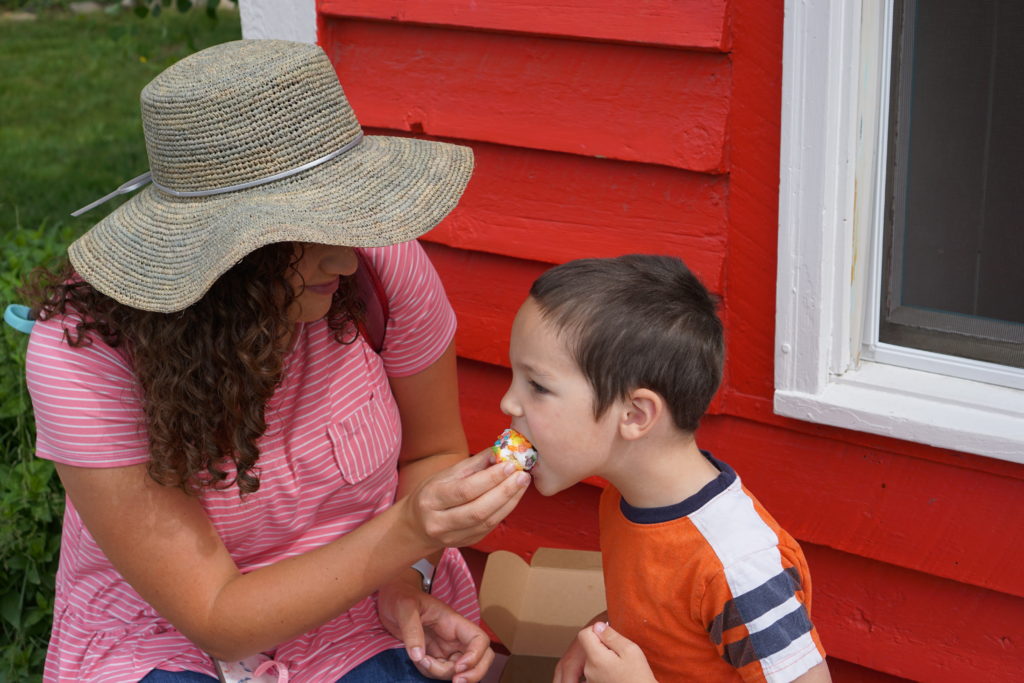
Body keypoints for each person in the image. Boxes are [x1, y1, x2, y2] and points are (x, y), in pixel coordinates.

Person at [23, 39, 530, 683]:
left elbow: (430, 454)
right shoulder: (88, 355)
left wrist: (404, 577)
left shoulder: (379, 265)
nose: (347, 259)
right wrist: (408, 527)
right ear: (228, 257)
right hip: (168, 640)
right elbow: (212, 612)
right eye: (312, 229)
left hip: (364, 605)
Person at [498, 255, 831, 683]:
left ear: (635, 415)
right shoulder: (623, 498)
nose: (508, 402)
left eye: (537, 386)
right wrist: (601, 634)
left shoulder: (737, 568)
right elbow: (662, 618)